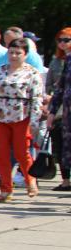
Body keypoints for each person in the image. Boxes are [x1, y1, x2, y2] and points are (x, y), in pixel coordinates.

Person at [0, 36, 44, 201]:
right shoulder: (2, 70)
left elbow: (37, 98)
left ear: (25, 54)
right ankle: (6, 188)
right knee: (1, 154)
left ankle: (31, 181)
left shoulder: (32, 73)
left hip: (21, 116)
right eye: (11, 52)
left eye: (18, 53)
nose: (14, 56)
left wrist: (35, 121)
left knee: (22, 153)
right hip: (1, 116)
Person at [47, 27, 71, 191]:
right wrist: (52, 112)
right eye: (60, 40)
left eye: (66, 40)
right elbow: (60, 88)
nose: (63, 44)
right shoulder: (67, 60)